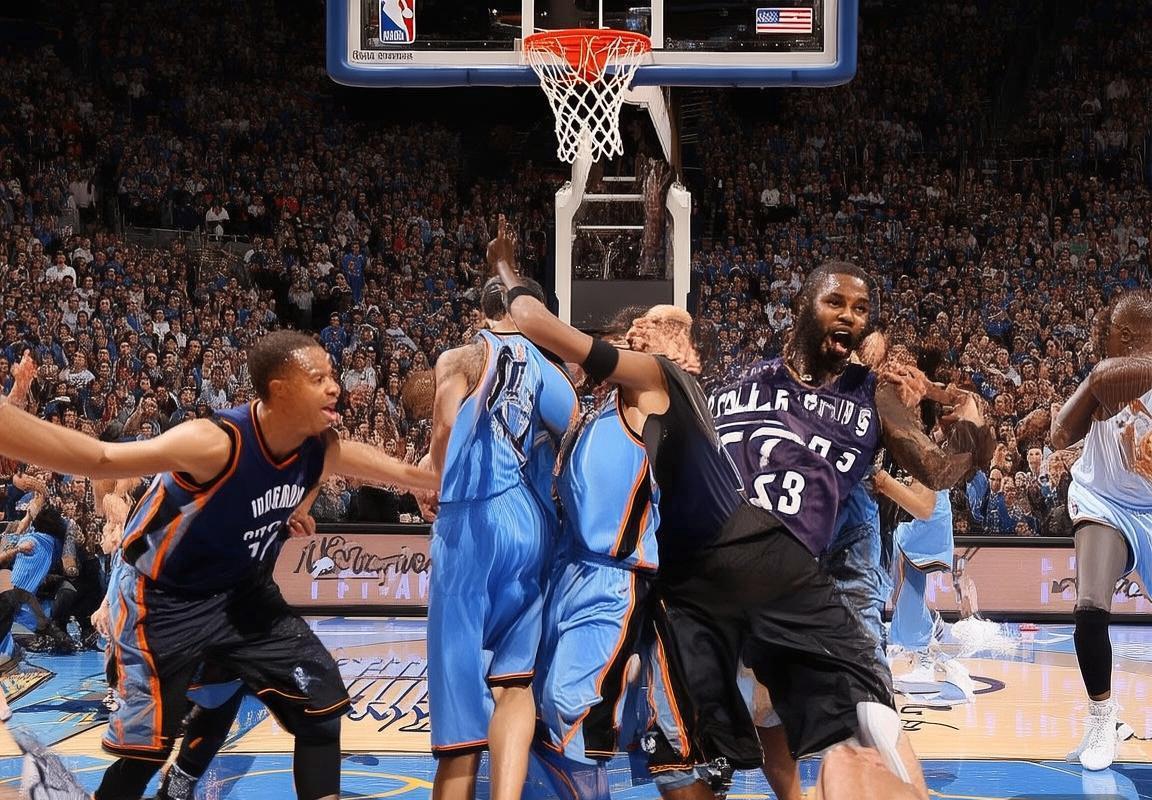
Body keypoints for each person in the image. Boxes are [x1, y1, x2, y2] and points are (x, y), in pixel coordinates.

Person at [488, 222, 946, 799]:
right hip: (648, 584)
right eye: (663, 325)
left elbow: (536, 323)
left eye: (677, 330)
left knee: (580, 724)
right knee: (663, 743)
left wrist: (506, 272)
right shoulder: (621, 408)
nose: (671, 334)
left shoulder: (666, 381)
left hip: (659, 581)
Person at [0, 333, 439, 800]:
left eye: (332, 375)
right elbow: (101, 458)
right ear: (279, 390)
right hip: (163, 598)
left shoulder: (316, 447)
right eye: (318, 378)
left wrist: (418, 480)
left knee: (320, 708)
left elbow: (346, 457)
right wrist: (8, 419)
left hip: (241, 594)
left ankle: (182, 785)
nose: (334, 386)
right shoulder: (214, 442)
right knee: (147, 751)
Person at [716, 264, 992, 800]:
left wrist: (963, 415)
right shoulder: (751, 384)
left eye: (862, 313)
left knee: (865, 712)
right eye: (837, 305)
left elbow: (937, 474)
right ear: (803, 309)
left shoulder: (872, 399)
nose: (851, 323)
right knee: (763, 705)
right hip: (753, 567)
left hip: (841, 559)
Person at [426, 272, 577, 800]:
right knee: (515, 682)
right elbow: (573, 424)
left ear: (481, 313)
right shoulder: (547, 368)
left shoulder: (462, 357)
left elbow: (447, 425)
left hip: (472, 522)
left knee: (458, 690)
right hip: (530, 523)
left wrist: (433, 476)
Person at [530, 304, 685, 800]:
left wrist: (657, 326)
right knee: (541, 705)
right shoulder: (597, 406)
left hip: (614, 577)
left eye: (627, 337)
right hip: (568, 568)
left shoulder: (649, 392)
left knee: (573, 706)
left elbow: (675, 327)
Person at [1051, 288, 1152, 771]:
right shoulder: (1107, 377)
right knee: (1090, 608)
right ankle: (1101, 717)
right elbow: (1059, 436)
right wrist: (1093, 382)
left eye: (1108, 333)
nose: (1101, 340)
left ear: (1125, 334)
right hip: (1104, 502)